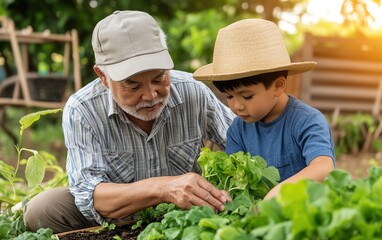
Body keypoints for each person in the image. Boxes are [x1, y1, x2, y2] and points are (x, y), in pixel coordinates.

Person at [24, 10, 235, 233]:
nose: (151, 95)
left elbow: (242, 141)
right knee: (42, 210)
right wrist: (163, 188)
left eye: (159, 78)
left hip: (186, 210)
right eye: (133, 85)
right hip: (116, 215)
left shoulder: (193, 92)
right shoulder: (82, 109)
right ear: (103, 76)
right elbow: (90, 195)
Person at [193, 18, 336, 200]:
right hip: (260, 218)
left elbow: (323, 166)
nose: (237, 106)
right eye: (229, 96)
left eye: (247, 96)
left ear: (278, 86)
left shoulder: (308, 120)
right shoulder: (238, 130)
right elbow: (234, 177)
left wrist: (279, 192)